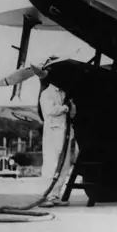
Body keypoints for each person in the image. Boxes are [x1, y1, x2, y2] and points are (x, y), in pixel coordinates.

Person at [38, 72, 77, 208]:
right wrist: (65, 108)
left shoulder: (65, 93)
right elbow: (50, 111)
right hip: (53, 133)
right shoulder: (47, 93)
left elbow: (72, 113)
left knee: (64, 166)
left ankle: (55, 195)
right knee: (52, 164)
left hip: (65, 133)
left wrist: (71, 107)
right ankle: (47, 195)